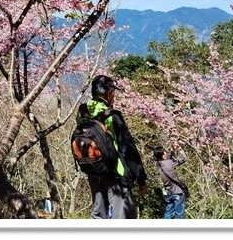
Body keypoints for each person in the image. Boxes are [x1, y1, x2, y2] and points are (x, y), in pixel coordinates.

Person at [77, 74, 148, 219]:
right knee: (123, 215)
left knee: (98, 213)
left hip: (92, 170)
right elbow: (128, 147)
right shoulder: (112, 114)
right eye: (113, 92)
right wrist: (141, 178)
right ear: (109, 93)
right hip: (115, 173)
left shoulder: (82, 111)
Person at [154, 145, 188, 219]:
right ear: (163, 155)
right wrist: (180, 149)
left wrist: (172, 151)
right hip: (177, 192)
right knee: (179, 214)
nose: (166, 153)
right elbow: (184, 158)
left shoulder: (159, 165)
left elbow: (168, 159)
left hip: (168, 192)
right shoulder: (170, 164)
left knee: (168, 212)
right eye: (165, 152)